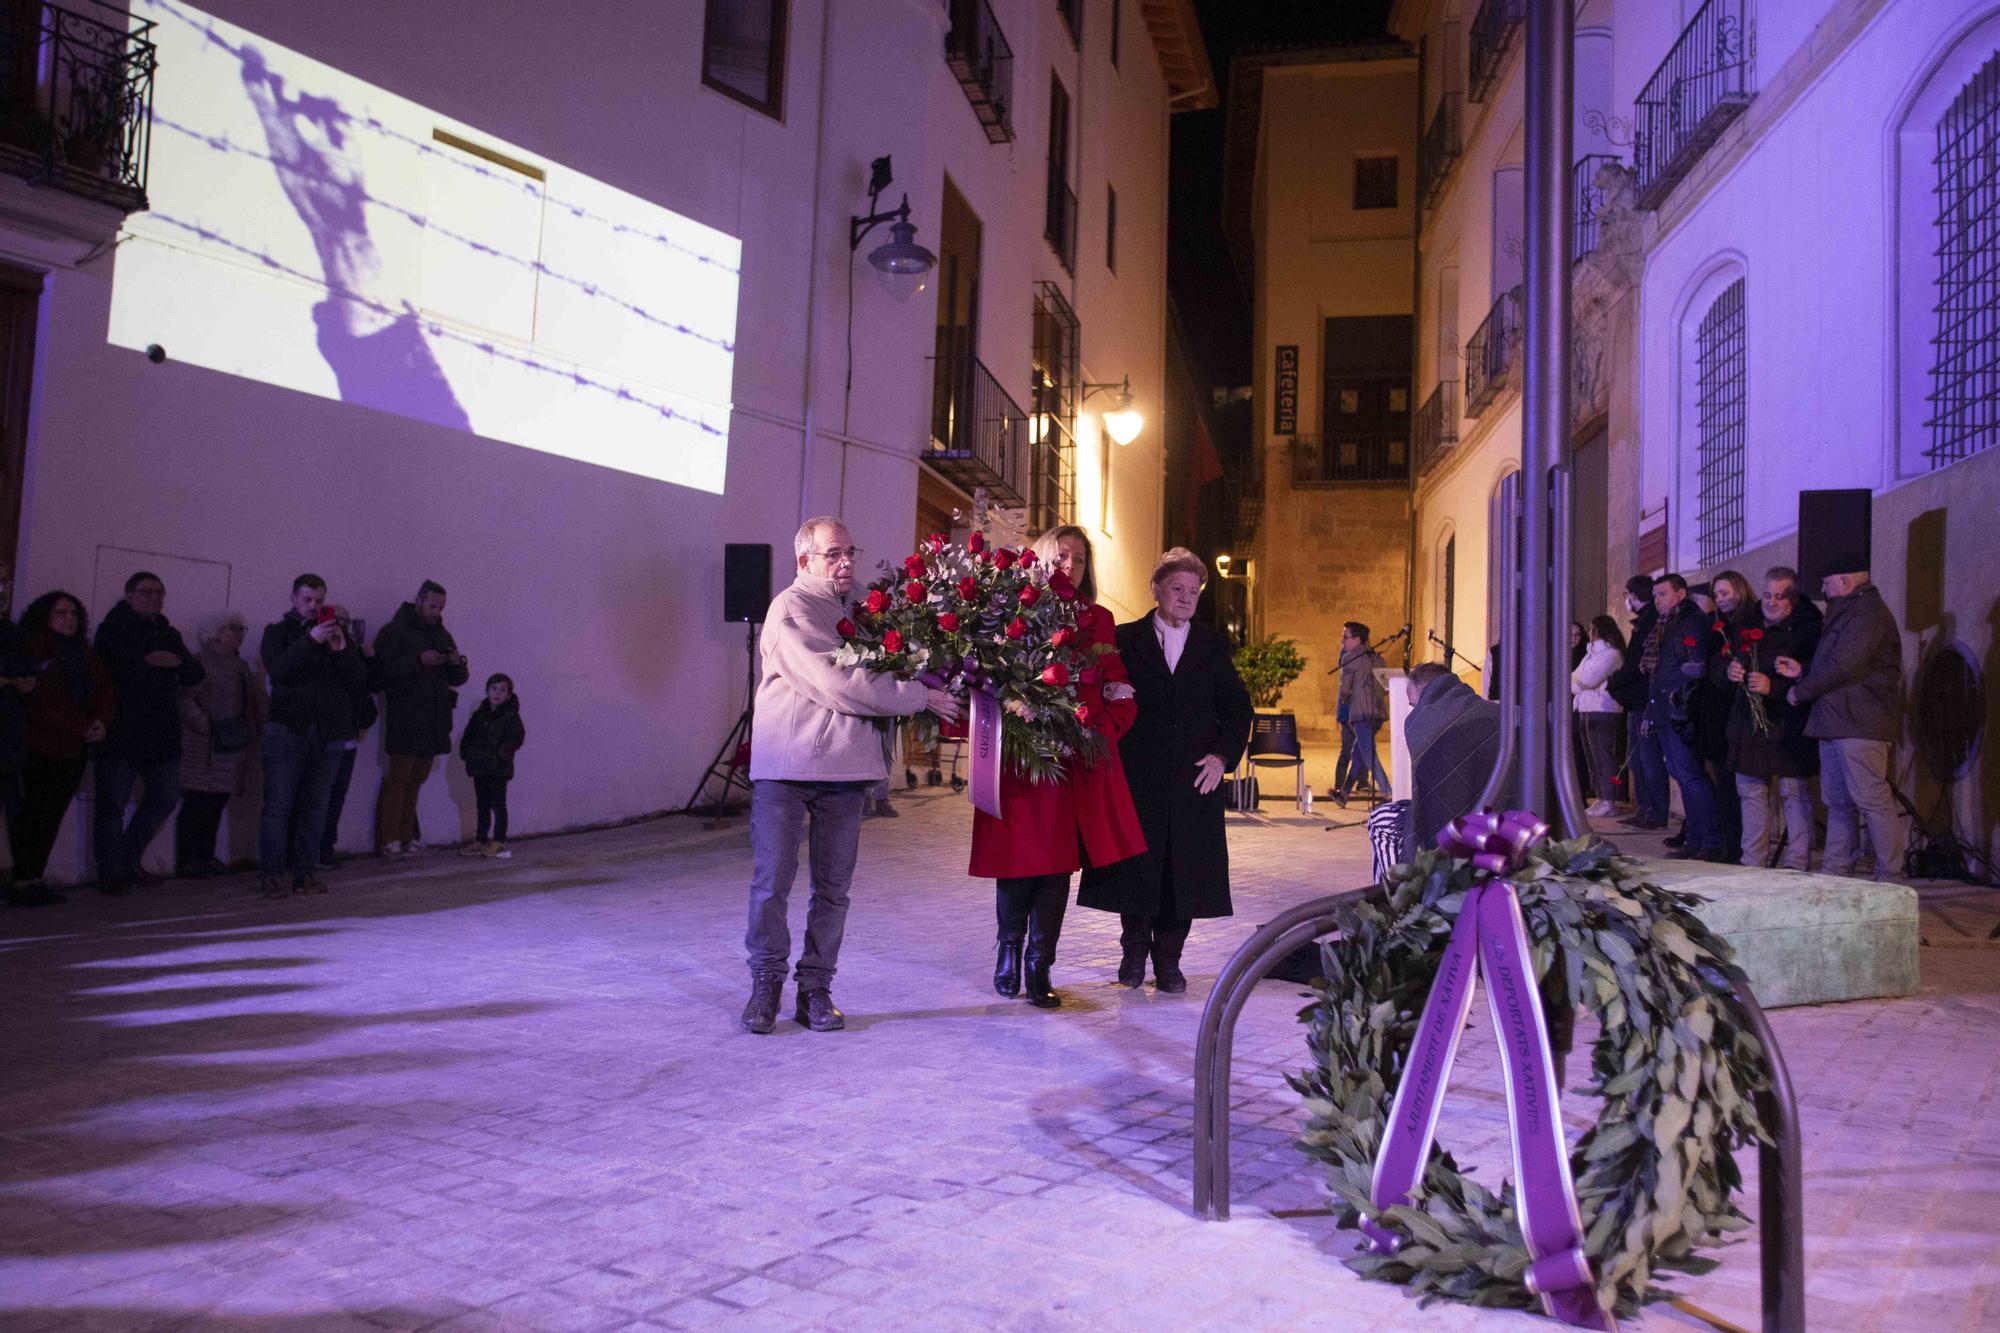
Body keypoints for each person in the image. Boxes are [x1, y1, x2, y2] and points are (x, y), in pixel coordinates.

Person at [741, 518, 959, 1034]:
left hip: (846, 771)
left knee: (834, 888)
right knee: (772, 884)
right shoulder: (789, 609)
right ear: (804, 561)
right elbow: (835, 681)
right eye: (832, 554)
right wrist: (918, 696)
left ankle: (815, 988)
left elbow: (903, 654)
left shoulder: (865, 610)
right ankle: (765, 983)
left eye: (849, 552)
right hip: (788, 768)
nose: (845, 562)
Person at [972, 525, 1145, 1006]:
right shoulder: (1013, 609)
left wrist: (1103, 729)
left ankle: (1039, 966)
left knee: (1057, 867)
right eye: (1062, 556)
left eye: (1080, 560)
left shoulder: (1100, 618)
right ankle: (1009, 951)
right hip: (1023, 759)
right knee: (1018, 861)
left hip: (1073, 763)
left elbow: (1117, 683)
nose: (1070, 566)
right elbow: (990, 676)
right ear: (1043, 560)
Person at [1080, 547, 1251, 993]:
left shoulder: (1212, 645)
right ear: (1155, 590)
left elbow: (1237, 711)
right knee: (1138, 869)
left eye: (1193, 591)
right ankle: (1133, 955)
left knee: (1185, 873)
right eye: (1177, 588)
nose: (1186, 597)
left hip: (1196, 778)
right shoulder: (1124, 637)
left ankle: (1170, 962)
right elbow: (1095, 691)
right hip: (1138, 776)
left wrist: (1221, 758)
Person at [1779, 566, 1904, 880]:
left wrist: (1801, 691)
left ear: (1845, 581)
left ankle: (1889, 874)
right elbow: (1833, 665)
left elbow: (1844, 664)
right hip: (1836, 720)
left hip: (1859, 722)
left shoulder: (1866, 614)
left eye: (1826, 581)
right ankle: (1836, 871)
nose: (1823, 588)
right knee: (1838, 801)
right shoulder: (1847, 612)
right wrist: (1803, 672)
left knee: (1871, 798)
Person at [91, 572, 204, 892]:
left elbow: (195, 671)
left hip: (162, 732)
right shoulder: (112, 629)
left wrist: (171, 661)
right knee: (112, 804)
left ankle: (127, 859)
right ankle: (111, 873)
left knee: (165, 798)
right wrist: (159, 665)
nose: (155, 598)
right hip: (122, 731)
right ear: (129, 596)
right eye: (146, 592)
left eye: (159, 592)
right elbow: (113, 673)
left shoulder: (167, 631)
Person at [260, 575, 368, 899]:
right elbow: (277, 670)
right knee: (278, 806)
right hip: (288, 729)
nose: (314, 606)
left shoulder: (339, 636)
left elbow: (359, 680)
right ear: (293, 598)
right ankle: (271, 875)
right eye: (307, 600)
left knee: (316, 807)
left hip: (329, 732)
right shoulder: (277, 633)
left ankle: (306, 873)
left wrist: (341, 650)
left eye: (320, 601)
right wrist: (309, 641)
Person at [10, 592, 113, 905]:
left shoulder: (84, 652)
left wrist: (101, 722)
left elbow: (105, 690)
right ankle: (22, 878)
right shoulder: (33, 649)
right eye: (61, 613)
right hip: (41, 746)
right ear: (45, 616)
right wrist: (79, 726)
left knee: (51, 815)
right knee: (32, 815)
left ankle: (33, 877)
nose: (69, 619)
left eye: (73, 613)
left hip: (74, 749)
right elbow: (38, 702)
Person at [1728, 568, 1821, 871]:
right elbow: (1723, 661)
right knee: (1751, 792)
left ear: (1792, 599)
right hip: (1751, 726)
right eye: (1767, 595)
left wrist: (1775, 687)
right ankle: (1753, 862)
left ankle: (1797, 863)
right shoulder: (1748, 624)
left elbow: (1814, 675)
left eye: (1779, 597)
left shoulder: (1809, 629)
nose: (1771, 602)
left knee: (1793, 793)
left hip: (1788, 724)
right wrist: (1729, 671)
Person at [373, 580, 469, 856]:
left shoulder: (442, 634)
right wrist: (418, 660)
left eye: (441, 607)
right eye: (432, 606)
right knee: (399, 778)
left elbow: (459, 678)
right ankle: (389, 837)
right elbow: (379, 673)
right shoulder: (394, 631)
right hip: (406, 714)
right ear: (419, 601)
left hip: (434, 717)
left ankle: (407, 835)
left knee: (417, 780)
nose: (437, 612)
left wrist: (455, 663)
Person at [175, 611, 264, 877]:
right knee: (198, 802)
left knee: (216, 802)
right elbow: (185, 698)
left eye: (240, 629)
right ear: (216, 632)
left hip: (231, 743)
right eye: (230, 629)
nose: (237, 634)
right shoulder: (202, 662)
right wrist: (204, 725)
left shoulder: (240, 665)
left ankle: (206, 855)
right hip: (205, 746)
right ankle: (189, 859)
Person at [1645, 574, 1723, 861]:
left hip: (1681, 711)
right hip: (1666, 710)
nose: (1657, 600)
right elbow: (1659, 672)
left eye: (1662, 594)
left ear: (1680, 594)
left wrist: (1677, 703)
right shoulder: (1666, 625)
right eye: (1655, 596)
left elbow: (1693, 668)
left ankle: (1709, 840)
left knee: (1691, 775)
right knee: (1682, 776)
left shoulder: (1692, 622)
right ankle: (1694, 838)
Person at [1405, 660, 1503, 853]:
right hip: (1509, 821)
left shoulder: (1423, 721)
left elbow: (1426, 797)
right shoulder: (1494, 711)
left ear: (1425, 691)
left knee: (1383, 821)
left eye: (1414, 704)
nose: (1414, 710)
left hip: (1455, 832)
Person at [308, 604, 376, 869]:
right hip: (324, 734)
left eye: (347, 621)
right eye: (338, 621)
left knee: (337, 796)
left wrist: (368, 658)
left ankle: (325, 849)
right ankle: (309, 851)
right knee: (318, 796)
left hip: (348, 734)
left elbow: (365, 685)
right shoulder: (322, 651)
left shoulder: (351, 653)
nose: (343, 626)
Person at [1699, 570, 1758, 863]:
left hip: (1738, 714)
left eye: (1725, 593)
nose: (1721, 599)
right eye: (1717, 595)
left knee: (1742, 789)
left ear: (1740, 588)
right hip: (1720, 715)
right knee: (1725, 786)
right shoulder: (1719, 627)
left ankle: (1739, 851)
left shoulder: (1750, 622)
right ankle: (1730, 846)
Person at [1610, 575, 1666, 828]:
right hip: (1636, 701)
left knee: (1648, 759)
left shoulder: (1650, 623)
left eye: (1626, 595)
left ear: (1634, 595)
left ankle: (1654, 811)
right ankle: (1645, 808)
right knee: (1637, 760)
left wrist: (1616, 682)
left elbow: (1636, 665)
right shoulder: (1644, 622)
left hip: (1645, 702)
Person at [458, 673, 525, 858]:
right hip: (480, 767)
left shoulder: (510, 716)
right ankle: (481, 839)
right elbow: (468, 736)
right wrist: (467, 754)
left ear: (509, 695)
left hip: (498, 769)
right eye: (494, 689)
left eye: (503, 690)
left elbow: (516, 738)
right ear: (487, 691)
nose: (498, 693)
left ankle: (499, 840)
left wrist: (501, 754)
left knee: (498, 804)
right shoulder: (479, 715)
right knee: (482, 805)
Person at [1571, 615, 1627, 818]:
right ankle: (1601, 798)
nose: (1588, 632)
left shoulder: (1611, 654)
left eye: (1591, 629)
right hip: (1586, 708)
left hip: (1603, 709)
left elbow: (1587, 680)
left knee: (1603, 757)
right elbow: (1574, 678)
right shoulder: (1589, 655)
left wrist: (1578, 682)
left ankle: (1609, 799)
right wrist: (1578, 682)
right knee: (1592, 758)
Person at [1332, 622, 1389, 806]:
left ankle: (1389, 793)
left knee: (1369, 756)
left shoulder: (1349, 658)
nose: (1343, 641)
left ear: (1357, 639)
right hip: (1378, 714)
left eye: (1345, 637)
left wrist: (1347, 700)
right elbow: (1385, 686)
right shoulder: (1378, 659)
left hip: (1361, 714)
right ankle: (1345, 793)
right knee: (1359, 753)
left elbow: (1345, 690)